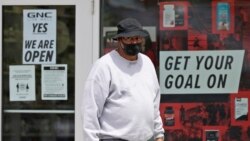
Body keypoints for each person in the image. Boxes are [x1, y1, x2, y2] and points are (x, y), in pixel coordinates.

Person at [81, 18, 164, 141]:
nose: (134, 42)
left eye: (137, 38)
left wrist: (159, 134)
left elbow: (154, 104)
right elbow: (90, 111)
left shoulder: (147, 63)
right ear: (119, 40)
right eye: (129, 38)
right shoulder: (104, 66)